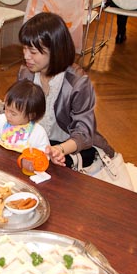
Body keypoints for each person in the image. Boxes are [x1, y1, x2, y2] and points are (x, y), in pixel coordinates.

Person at [17, 12, 116, 169]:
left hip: (66, 144)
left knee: (53, 168)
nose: (26, 56)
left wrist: (59, 150)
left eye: (33, 52)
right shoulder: (26, 73)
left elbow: (84, 133)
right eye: (24, 48)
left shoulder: (77, 82)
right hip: (35, 139)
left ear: (55, 50)